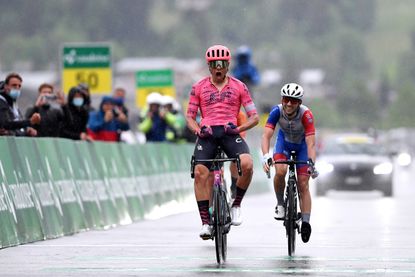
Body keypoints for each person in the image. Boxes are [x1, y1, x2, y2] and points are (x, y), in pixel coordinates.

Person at [186, 44, 259, 239]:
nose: (218, 68)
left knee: (247, 164)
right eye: (214, 64)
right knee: (200, 172)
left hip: (229, 132)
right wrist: (198, 129)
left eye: (222, 64)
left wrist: (238, 128)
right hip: (207, 134)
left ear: (228, 65)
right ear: (209, 66)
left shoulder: (239, 86)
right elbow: (190, 117)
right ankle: (205, 223)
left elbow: (254, 117)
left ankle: (236, 205)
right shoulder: (198, 87)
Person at [261, 83, 318, 243]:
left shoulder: (306, 115)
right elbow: (266, 136)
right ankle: (280, 204)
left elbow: (311, 143)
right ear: (282, 99)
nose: (289, 104)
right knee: (280, 172)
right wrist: (265, 156)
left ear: (299, 102)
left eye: (293, 100)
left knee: (303, 183)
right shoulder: (276, 111)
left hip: (302, 147)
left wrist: (311, 163)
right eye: (286, 99)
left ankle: (305, 222)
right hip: (283, 144)